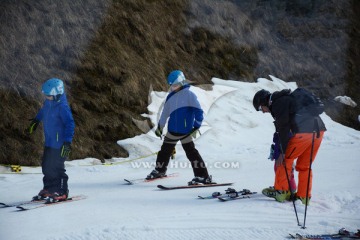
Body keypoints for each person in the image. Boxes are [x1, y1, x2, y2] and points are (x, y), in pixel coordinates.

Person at [253, 89, 326, 205]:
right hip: (318, 131)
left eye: (260, 108)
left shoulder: (278, 103)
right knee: (305, 166)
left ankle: (281, 191)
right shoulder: (287, 99)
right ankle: (304, 197)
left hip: (303, 133)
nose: (262, 111)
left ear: (264, 102)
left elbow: (284, 128)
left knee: (284, 160)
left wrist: (282, 151)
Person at [146, 70, 214, 185]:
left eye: (176, 85)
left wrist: (196, 126)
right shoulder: (170, 97)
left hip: (186, 130)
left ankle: (203, 176)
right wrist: (160, 127)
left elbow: (198, 111)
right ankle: (160, 170)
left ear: (182, 82)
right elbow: (165, 112)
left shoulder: (189, 95)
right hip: (173, 129)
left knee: (191, 153)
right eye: (171, 86)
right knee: (164, 151)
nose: (173, 88)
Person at [28, 78, 75, 202]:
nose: (46, 97)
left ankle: (62, 191)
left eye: (48, 95)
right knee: (46, 166)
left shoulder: (63, 107)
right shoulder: (49, 103)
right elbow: (43, 111)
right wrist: (36, 121)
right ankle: (48, 188)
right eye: (46, 95)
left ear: (57, 94)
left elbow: (70, 125)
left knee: (57, 168)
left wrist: (67, 143)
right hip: (49, 142)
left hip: (60, 144)